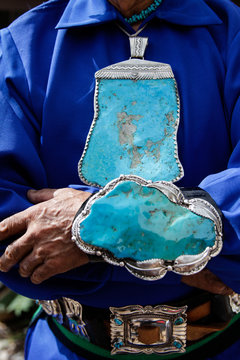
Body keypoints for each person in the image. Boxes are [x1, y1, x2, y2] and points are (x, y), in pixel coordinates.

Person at [0, 0, 240, 358]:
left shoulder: (231, 32)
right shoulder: (21, 46)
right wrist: (187, 245)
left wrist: (88, 228)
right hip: (69, 347)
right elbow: (9, 229)